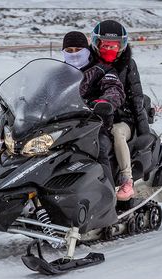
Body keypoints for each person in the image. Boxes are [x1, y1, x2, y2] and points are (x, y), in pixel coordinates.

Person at [90, 20, 151, 201]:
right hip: (95, 116)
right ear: (97, 43)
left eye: (115, 45)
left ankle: (126, 179)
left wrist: (143, 131)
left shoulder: (128, 65)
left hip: (123, 118)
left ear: (121, 46)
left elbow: (137, 98)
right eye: (106, 44)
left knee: (117, 133)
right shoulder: (89, 63)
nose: (110, 49)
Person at [62, 31, 125, 187]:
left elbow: (114, 89)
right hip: (63, 124)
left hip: (95, 125)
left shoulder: (102, 70)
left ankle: (109, 195)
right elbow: (43, 92)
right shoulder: (58, 73)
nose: (74, 53)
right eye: (69, 50)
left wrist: (103, 102)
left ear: (87, 50)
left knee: (99, 148)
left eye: (78, 49)